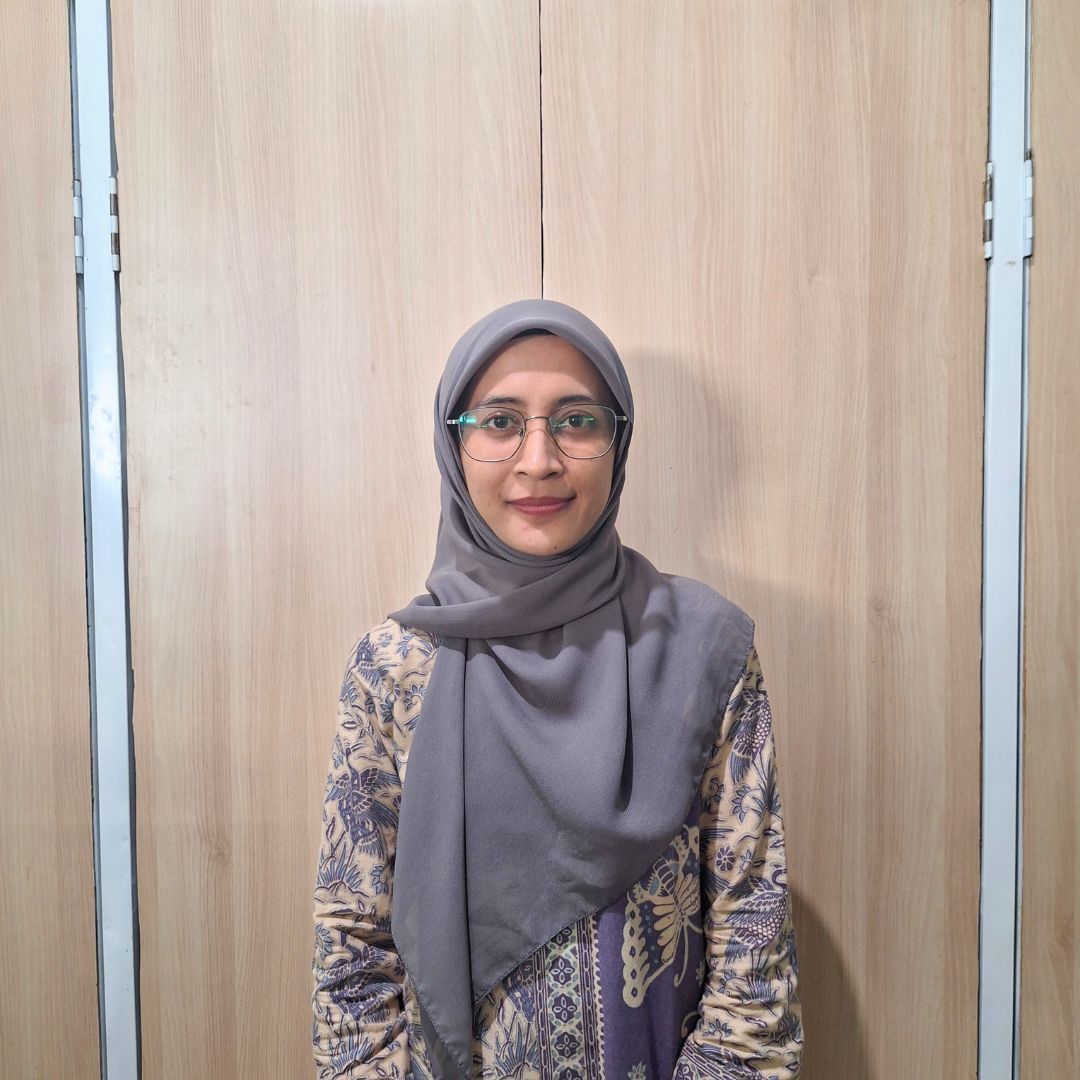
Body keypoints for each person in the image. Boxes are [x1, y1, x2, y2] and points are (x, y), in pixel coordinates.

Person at [311, 299, 803, 1079]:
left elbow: (754, 950)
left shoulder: (704, 649)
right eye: (499, 422)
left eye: (576, 421)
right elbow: (351, 960)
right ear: (454, 444)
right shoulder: (397, 667)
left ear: (618, 441)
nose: (538, 459)